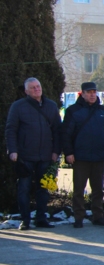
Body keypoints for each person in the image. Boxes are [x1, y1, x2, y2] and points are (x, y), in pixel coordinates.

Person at [6, 77, 61, 230]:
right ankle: (25, 220)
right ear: (26, 91)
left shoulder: (51, 105)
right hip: (25, 156)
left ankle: (41, 218)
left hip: (46, 155)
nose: (37, 89)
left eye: (38, 86)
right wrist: (13, 150)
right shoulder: (18, 106)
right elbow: (11, 129)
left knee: (43, 189)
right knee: (23, 189)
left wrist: (56, 151)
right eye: (33, 88)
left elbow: (57, 130)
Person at [62, 82, 104, 228]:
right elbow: (66, 134)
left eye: (94, 91)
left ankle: (98, 216)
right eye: (89, 92)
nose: (92, 94)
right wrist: (69, 153)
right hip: (80, 157)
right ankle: (78, 217)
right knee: (79, 189)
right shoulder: (73, 111)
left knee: (98, 189)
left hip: (99, 157)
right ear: (82, 93)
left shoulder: (103, 111)